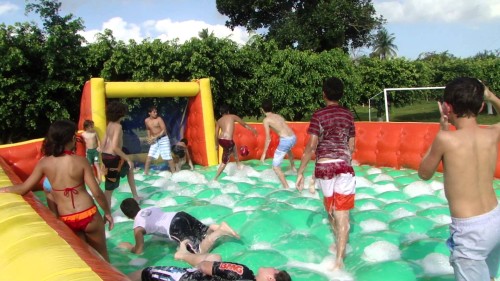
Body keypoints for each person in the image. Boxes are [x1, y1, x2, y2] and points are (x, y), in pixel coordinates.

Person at [418, 77, 500, 281]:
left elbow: (424, 173)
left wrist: (442, 130)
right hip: (495, 219)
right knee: (488, 276)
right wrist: (492, 97)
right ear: (482, 106)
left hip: (470, 230)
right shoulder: (492, 134)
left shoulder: (446, 139)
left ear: (447, 107)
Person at [0, 120, 114, 261]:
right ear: (72, 138)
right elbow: (96, 192)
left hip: (66, 218)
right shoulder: (81, 161)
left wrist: (4, 189)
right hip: (88, 214)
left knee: (87, 262)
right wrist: (107, 212)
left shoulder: (45, 163)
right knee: (104, 260)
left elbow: (23, 188)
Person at [295, 77, 356, 270]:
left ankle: (338, 241)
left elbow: (311, 145)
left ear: (324, 94)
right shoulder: (348, 115)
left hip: (324, 168)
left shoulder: (319, 115)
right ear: (341, 94)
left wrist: (301, 172)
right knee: (343, 213)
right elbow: (352, 145)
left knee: (330, 209)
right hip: (344, 167)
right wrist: (345, 158)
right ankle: (340, 257)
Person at [118, 198, 240, 255]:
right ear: (137, 205)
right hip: (179, 215)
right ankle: (216, 227)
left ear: (128, 216)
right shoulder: (150, 208)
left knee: (199, 251)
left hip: (174, 227)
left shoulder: (138, 226)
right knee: (204, 232)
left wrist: (129, 247)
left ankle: (220, 231)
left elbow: (139, 250)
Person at [127, 240, 292, 281]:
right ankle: (183, 254)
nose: (272, 267)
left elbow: (204, 267)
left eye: (275, 270)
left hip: (185, 279)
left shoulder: (243, 273)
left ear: (271, 279)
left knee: (145, 272)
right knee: (215, 258)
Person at [100, 100, 140, 206]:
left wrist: (102, 160)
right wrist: (127, 158)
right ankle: (107, 213)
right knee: (109, 190)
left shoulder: (109, 125)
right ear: (121, 114)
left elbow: (102, 144)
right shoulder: (118, 126)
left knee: (129, 170)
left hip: (106, 156)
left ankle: (135, 196)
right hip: (113, 158)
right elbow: (114, 147)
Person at [259, 99, 297, 189]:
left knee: (275, 167)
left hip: (286, 140)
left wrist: (263, 154)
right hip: (293, 137)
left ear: (262, 109)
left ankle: (286, 188)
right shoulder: (278, 116)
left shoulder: (266, 120)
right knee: (288, 149)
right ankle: (293, 168)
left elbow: (268, 138)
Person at [214, 104, 257, 181]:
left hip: (221, 140)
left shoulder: (219, 120)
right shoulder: (232, 116)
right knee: (224, 162)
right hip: (227, 141)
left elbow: (216, 133)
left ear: (221, 113)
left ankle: (238, 165)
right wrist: (252, 129)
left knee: (233, 146)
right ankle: (215, 179)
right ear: (228, 111)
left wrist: (216, 145)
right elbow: (244, 124)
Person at [144, 105, 175, 175]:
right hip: (154, 140)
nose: (156, 113)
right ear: (149, 113)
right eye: (154, 112)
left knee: (168, 156)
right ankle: (145, 173)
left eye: (156, 112)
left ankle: (174, 173)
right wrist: (149, 138)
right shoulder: (146, 120)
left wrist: (156, 137)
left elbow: (164, 130)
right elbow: (148, 129)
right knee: (149, 157)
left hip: (163, 139)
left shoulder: (159, 119)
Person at [81, 119, 102, 184]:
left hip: (95, 151)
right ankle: (95, 180)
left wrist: (99, 146)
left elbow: (98, 140)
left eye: (93, 126)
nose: (93, 127)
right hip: (89, 152)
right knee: (90, 167)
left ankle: (100, 180)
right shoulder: (83, 134)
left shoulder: (94, 133)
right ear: (86, 127)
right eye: (91, 126)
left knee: (97, 165)